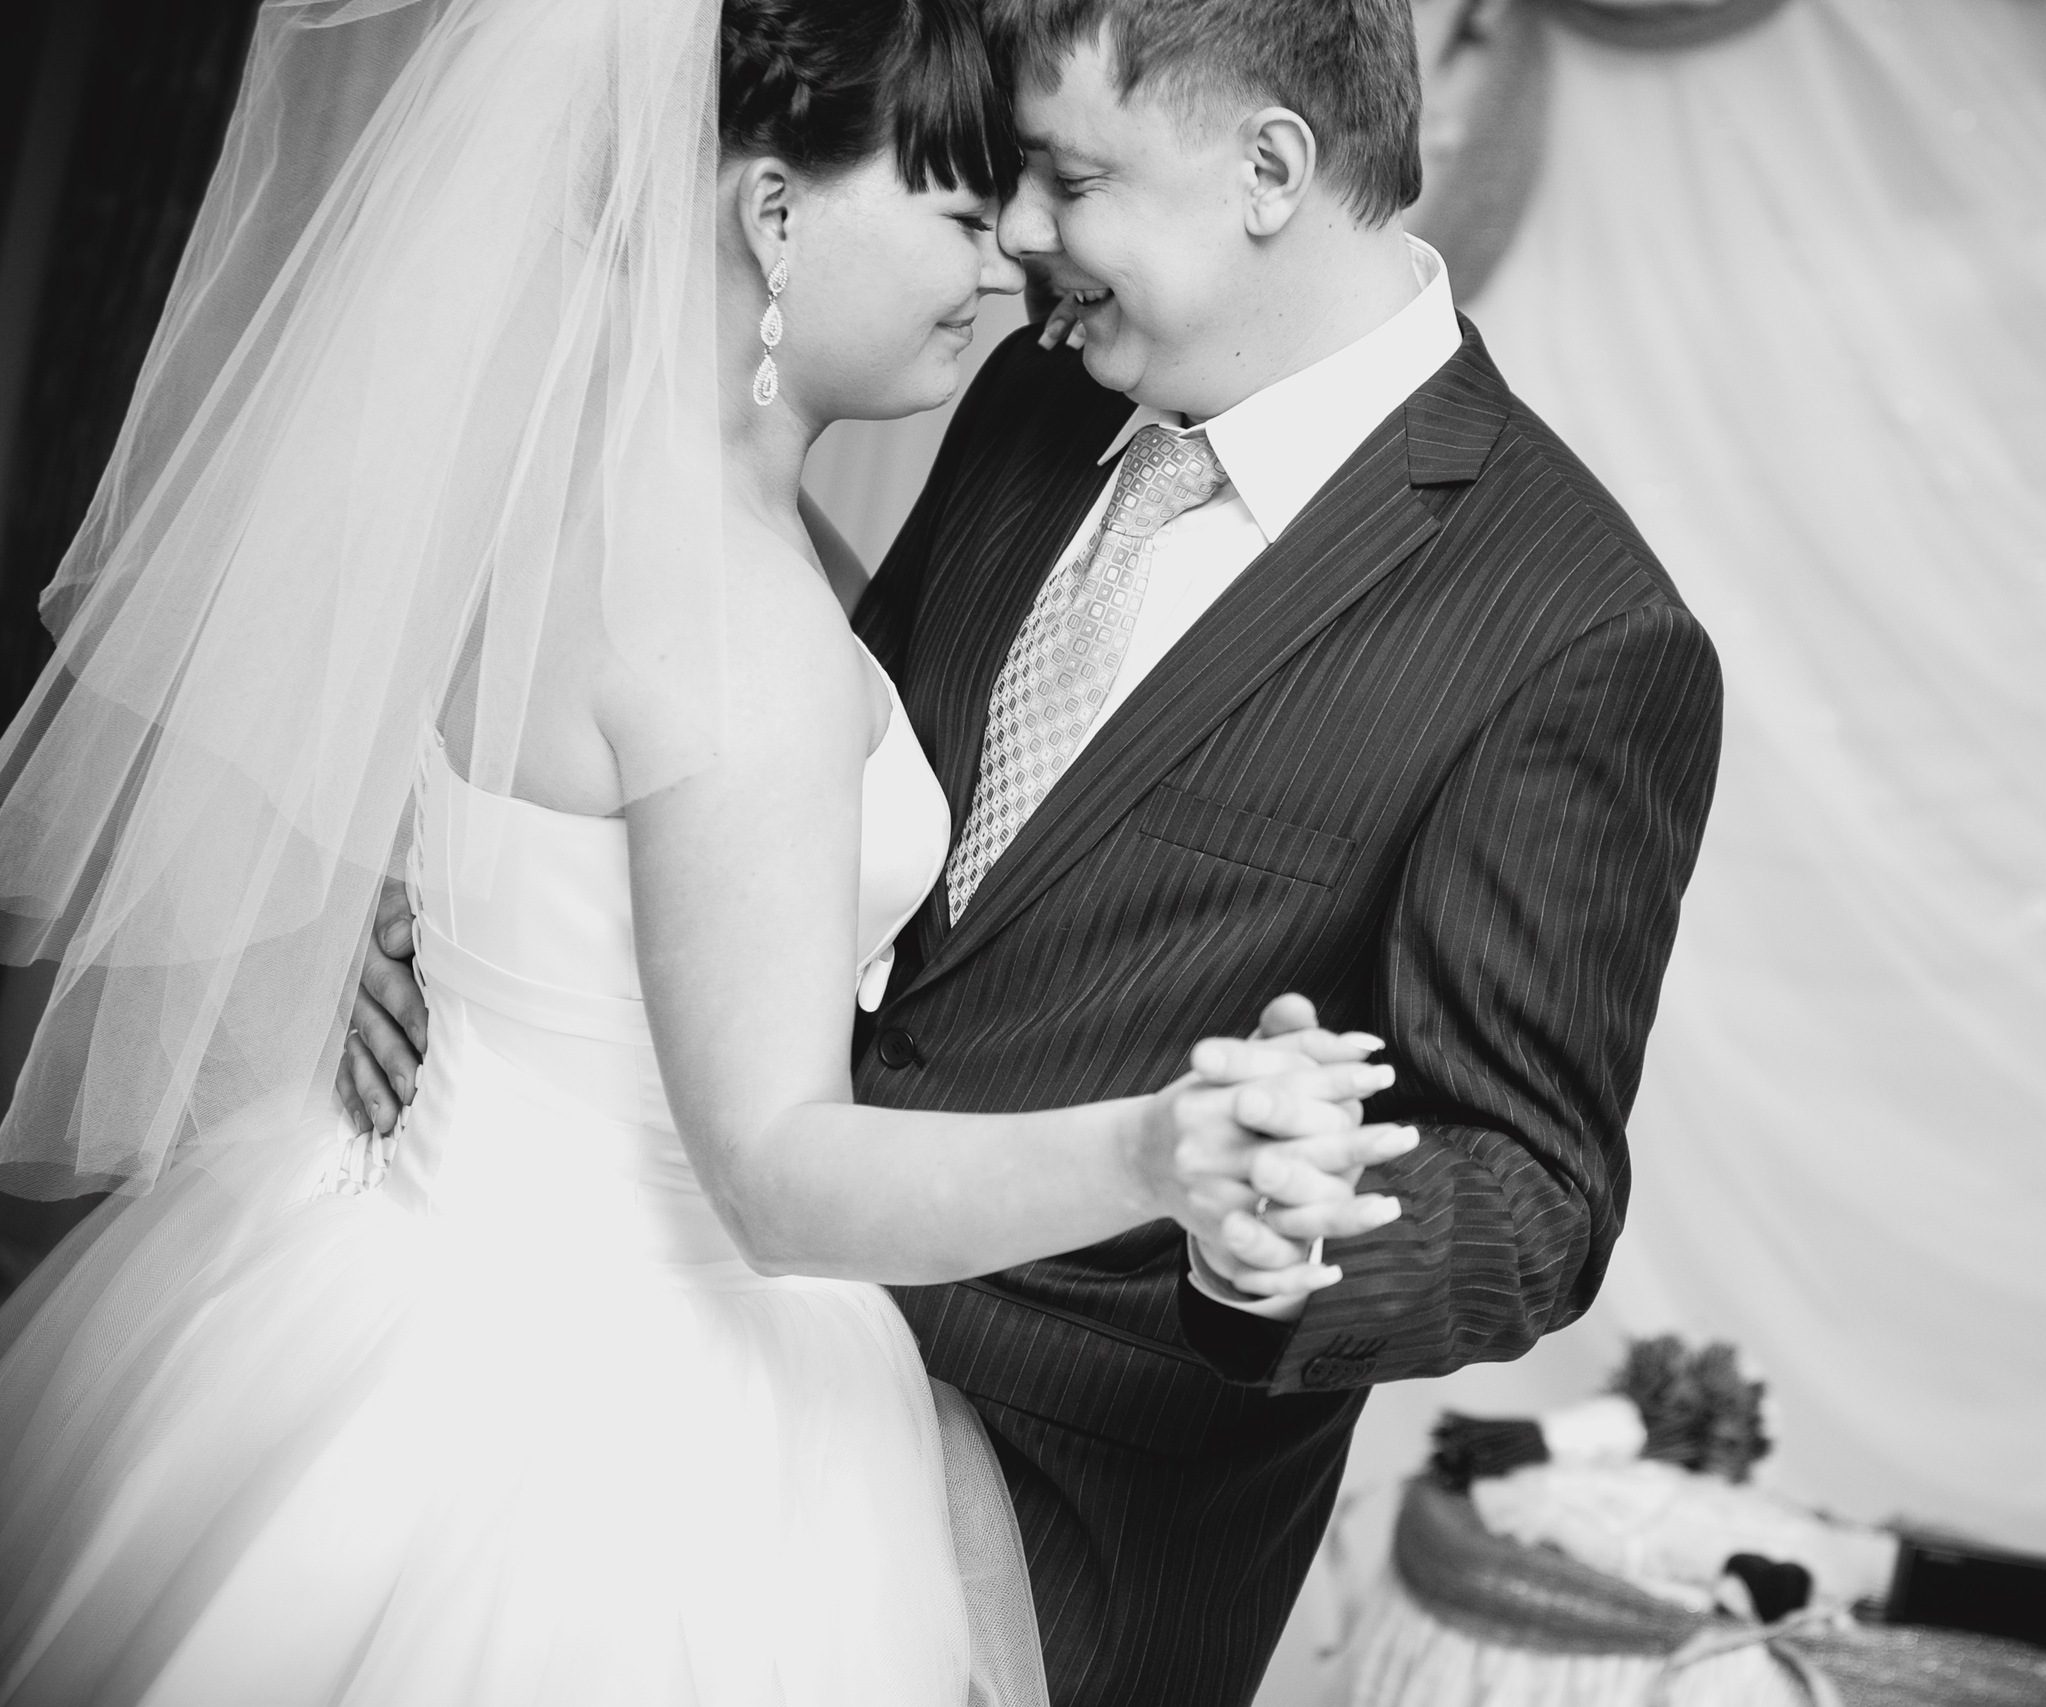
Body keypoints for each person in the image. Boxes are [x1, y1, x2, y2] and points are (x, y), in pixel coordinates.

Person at [0, 1, 1412, 1702]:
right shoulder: (742, 627)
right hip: (598, 1403)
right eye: (961, 213)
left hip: (349, 1274)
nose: (1007, 268)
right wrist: (1156, 1151)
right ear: (774, 214)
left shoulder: (563, 499)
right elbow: (772, 1173)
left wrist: (390, 902)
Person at [338, 1, 1725, 1701]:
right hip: (676, 1355)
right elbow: (809, 762)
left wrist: (1283, 1230)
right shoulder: (1032, 398)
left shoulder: (1573, 623)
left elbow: (1536, 1195)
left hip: (1070, 1508)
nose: (1016, 232)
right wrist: (487, 904)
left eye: (1069, 177)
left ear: (1269, 169)